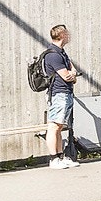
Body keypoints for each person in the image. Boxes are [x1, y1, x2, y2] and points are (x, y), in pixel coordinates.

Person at [42, 24, 81, 170]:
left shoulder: (62, 52)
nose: (69, 36)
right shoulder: (53, 54)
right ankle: (53, 159)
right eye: (67, 34)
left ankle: (60, 156)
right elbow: (66, 75)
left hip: (66, 92)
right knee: (54, 126)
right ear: (62, 35)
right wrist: (72, 75)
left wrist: (73, 75)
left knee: (59, 126)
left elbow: (73, 72)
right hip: (58, 93)